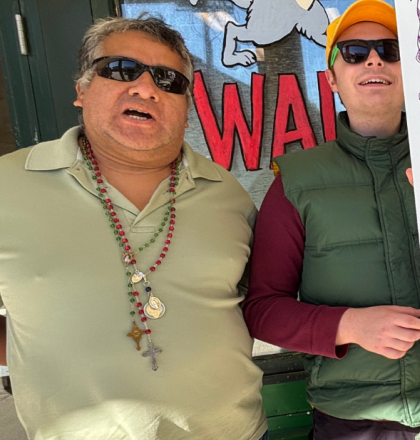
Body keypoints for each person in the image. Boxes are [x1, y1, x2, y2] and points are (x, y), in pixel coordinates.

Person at [241, 1, 420, 438]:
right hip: (355, 425)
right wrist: (347, 325)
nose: (373, 60)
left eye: (390, 50)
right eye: (354, 52)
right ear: (332, 79)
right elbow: (263, 310)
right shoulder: (295, 182)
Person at [0, 17, 268, 440]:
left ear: (186, 107)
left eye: (168, 80)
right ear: (81, 89)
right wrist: (33, 355)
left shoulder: (228, 194)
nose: (146, 88)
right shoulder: (8, 185)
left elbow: (262, 302)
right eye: (121, 69)